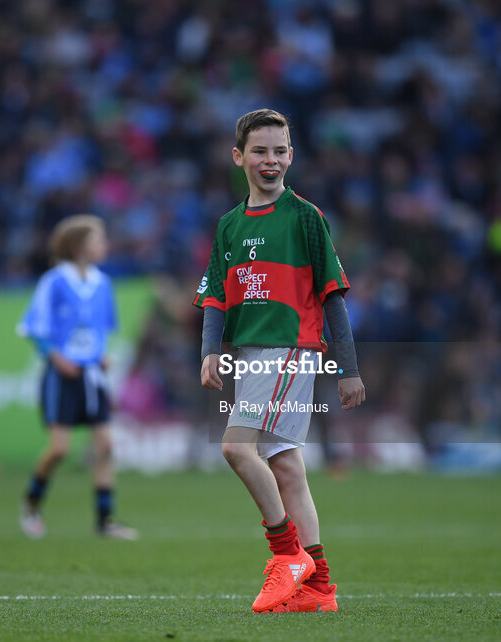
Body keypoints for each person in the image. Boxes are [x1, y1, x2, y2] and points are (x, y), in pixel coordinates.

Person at [194, 108, 365, 613]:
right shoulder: (228, 225)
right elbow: (215, 299)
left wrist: (350, 368)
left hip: (288, 349)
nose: (271, 160)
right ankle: (319, 589)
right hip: (249, 356)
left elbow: (333, 296)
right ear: (239, 156)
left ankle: (286, 553)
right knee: (287, 468)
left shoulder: (305, 217)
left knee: (235, 448)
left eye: (280, 151)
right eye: (260, 150)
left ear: (291, 156)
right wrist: (210, 352)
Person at [18, 215, 138, 541]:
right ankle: (31, 504)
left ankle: (105, 520)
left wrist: (101, 356)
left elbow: (99, 331)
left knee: (106, 445)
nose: (104, 245)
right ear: (78, 245)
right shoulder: (54, 281)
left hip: (91, 376)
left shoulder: (102, 283)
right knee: (59, 449)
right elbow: (34, 327)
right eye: (98, 239)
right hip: (61, 375)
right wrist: (57, 358)